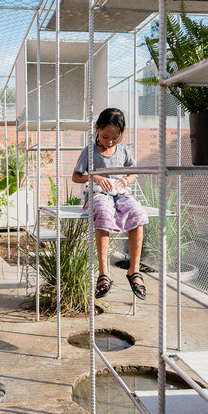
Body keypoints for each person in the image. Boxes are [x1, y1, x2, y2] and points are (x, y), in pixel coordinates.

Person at [71, 107, 148, 300]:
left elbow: (133, 172)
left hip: (120, 193)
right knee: (104, 213)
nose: (110, 142)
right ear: (97, 128)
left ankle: (134, 270)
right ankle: (103, 272)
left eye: (115, 138)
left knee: (137, 213)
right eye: (105, 137)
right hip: (98, 195)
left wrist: (126, 180)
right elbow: (76, 176)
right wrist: (95, 177)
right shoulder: (90, 151)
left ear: (122, 134)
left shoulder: (123, 150)